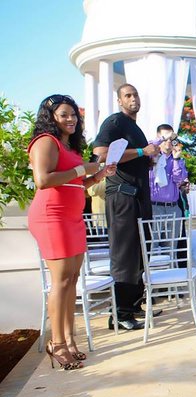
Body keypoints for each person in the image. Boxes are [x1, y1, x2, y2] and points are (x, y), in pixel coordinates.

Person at [28, 94, 116, 370]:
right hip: (51, 217)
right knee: (61, 282)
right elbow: (43, 180)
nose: (71, 119)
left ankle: (69, 337)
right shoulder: (46, 141)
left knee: (72, 279)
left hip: (73, 218)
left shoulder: (69, 146)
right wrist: (82, 168)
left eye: (74, 115)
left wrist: (97, 175)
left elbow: (77, 183)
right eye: (64, 114)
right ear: (50, 117)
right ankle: (56, 343)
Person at [92, 83, 161, 330]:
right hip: (122, 197)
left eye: (136, 94)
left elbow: (132, 157)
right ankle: (119, 315)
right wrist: (142, 150)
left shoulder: (135, 128)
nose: (133, 99)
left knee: (141, 253)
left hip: (139, 197)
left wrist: (146, 160)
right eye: (128, 95)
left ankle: (133, 307)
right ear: (120, 101)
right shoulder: (115, 122)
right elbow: (100, 152)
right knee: (124, 256)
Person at [149, 124, 187, 221]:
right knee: (156, 236)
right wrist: (162, 138)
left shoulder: (178, 159)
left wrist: (176, 159)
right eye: (166, 137)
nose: (169, 140)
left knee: (175, 236)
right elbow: (146, 146)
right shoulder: (151, 155)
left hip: (173, 207)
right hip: (154, 207)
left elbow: (178, 179)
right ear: (159, 137)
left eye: (172, 137)